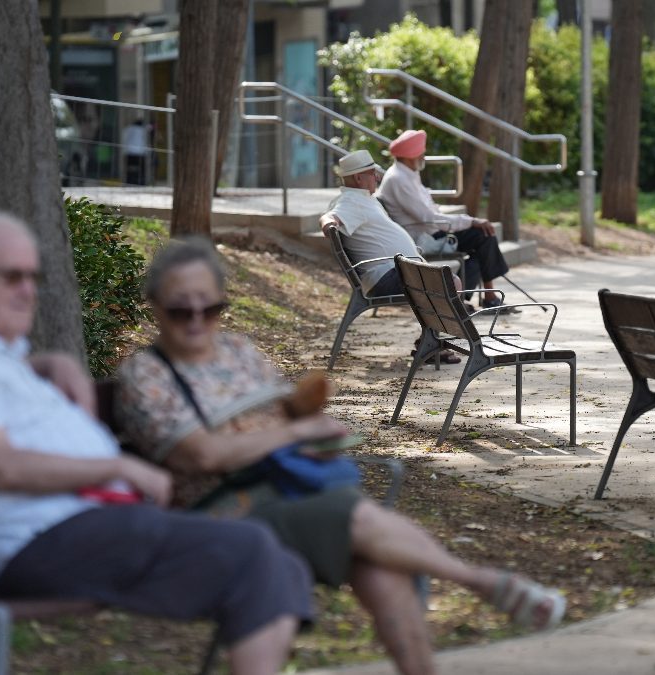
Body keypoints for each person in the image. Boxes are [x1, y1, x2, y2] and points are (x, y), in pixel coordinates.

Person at [115, 237, 567, 675]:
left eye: (209, 307)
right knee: (353, 517)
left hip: (287, 491)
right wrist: (293, 432)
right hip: (218, 514)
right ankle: (481, 582)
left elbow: (288, 416)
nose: (196, 318)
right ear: (155, 306)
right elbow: (203, 456)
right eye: (180, 309)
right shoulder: (146, 375)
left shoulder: (238, 351)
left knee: (381, 571)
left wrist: (315, 432)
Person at [0, 212, 311, 675]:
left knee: (279, 565)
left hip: (86, 524)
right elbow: (1, 467)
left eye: (33, 276)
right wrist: (118, 469)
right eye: (12, 277)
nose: (28, 290)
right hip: (34, 542)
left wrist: (49, 364)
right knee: (252, 551)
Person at [323, 148, 465, 364]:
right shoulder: (351, 201)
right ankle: (430, 344)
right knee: (449, 283)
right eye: (372, 173)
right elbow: (332, 216)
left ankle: (430, 343)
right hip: (385, 276)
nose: (377, 177)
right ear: (359, 177)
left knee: (447, 281)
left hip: (393, 271)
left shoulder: (362, 198)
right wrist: (329, 223)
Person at [377, 129, 516, 313]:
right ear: (411, 156)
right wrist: (470, 221)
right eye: (421, 153)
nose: (424, 157)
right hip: (423, 236)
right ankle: (483, 298)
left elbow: (430, 212)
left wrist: (468, 222)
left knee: (482, 241)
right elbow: (429, 218)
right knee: (483, 235)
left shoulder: (407, 173)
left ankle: (466, 299)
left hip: (430, 229)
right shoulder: (399, 179)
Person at [122, 118, 150, 185]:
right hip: (141, 152)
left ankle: (129, 181)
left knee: (129, 168)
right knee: (141, 169)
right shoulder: (144, 129)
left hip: (130, 151)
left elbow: (124, 138)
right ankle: (141, 181)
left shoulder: (129, 128)